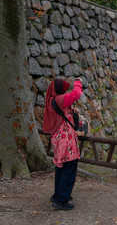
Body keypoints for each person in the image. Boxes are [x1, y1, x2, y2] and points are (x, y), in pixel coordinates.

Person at [43, 78, 83, 210]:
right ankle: (61, 200)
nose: (64, 91)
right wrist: (78, 81)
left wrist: (72, 111)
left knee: (61, 167)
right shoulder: (60, 99)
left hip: (59, 139)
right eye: (63, 89)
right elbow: (76, 94)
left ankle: (58, 195)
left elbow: (61, 114)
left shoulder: (52, 99)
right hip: (66, 140)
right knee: (69, 168)